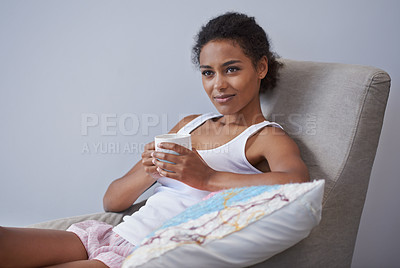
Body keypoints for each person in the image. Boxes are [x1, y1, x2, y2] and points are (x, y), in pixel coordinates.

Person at [0, 12, 309, 268]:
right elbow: (112, 200)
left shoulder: (265, 137)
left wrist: (208, 177)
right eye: (207, 73)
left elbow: (296, 183)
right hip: (114, 234)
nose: (218, 85)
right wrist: (151, 170)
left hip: (141, 253)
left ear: (261, 67)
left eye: (231, 69)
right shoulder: (190, 125)